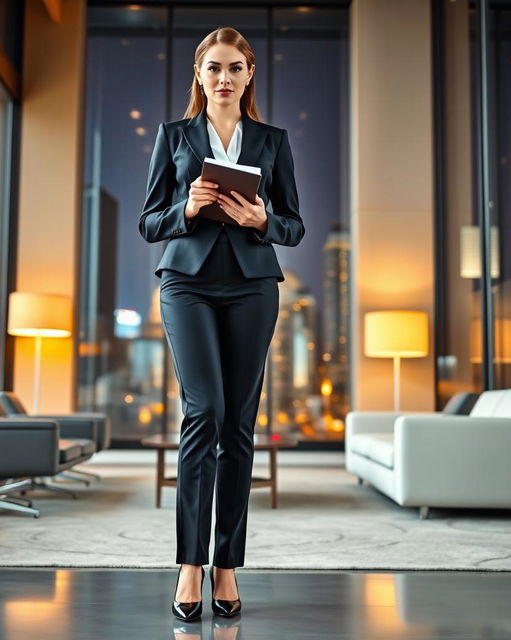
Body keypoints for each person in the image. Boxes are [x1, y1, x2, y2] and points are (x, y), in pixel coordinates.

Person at [139, 26, 304, 621]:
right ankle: (189, 565)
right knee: (202, 411)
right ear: (200, 74)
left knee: (238, 424)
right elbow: (149, 220)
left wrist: (262, 219)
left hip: (253, 288)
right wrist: (184, 208)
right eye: (214, 68)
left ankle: (226, 565)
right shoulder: (174, 136)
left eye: (235, 68)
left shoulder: (272, 140)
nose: (224, 78)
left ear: (249, 74)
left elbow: (294, 224)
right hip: (187, 283)